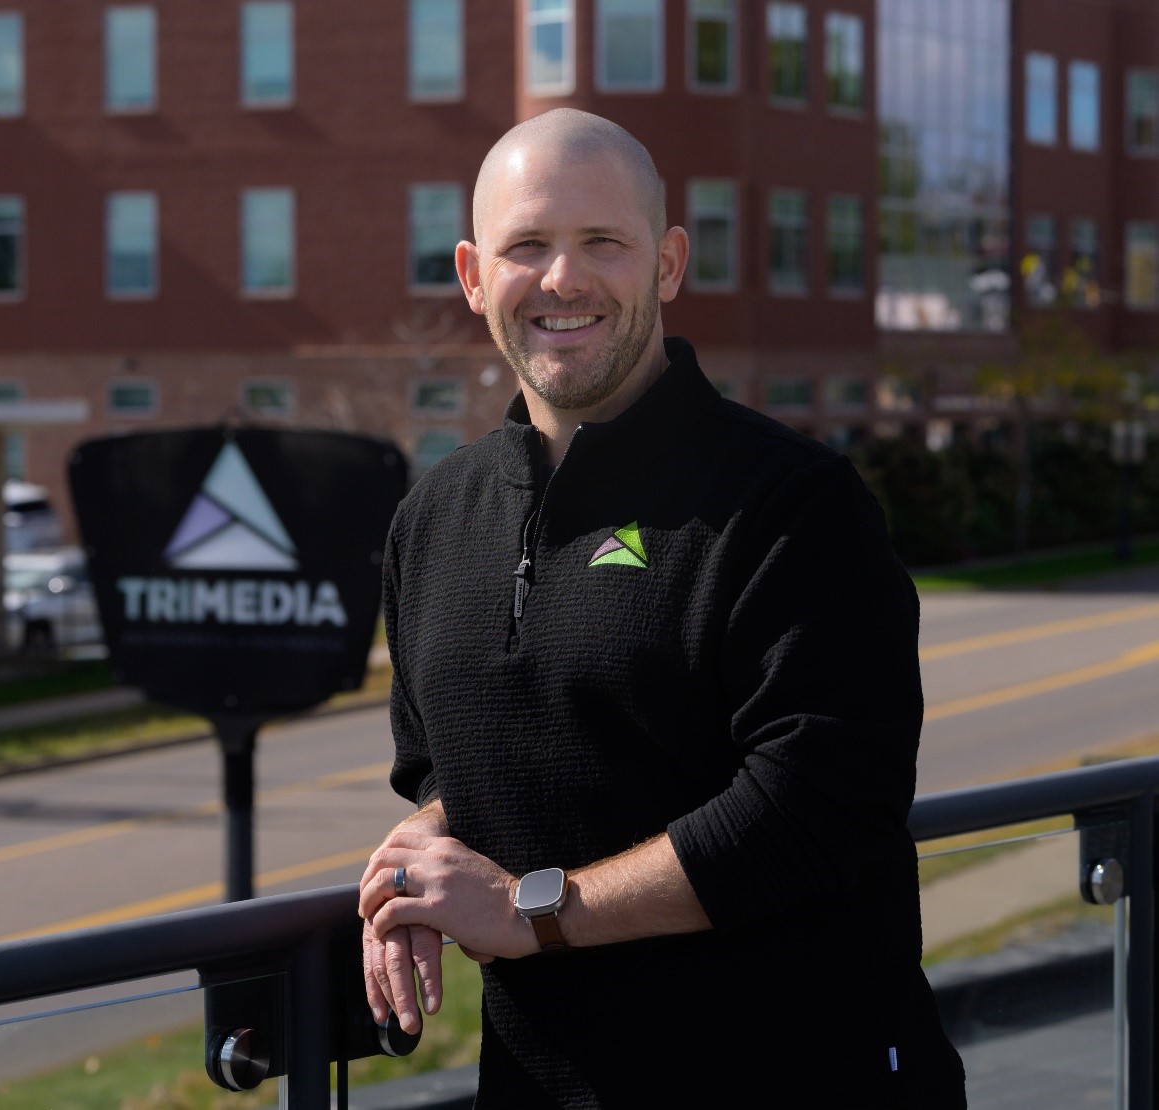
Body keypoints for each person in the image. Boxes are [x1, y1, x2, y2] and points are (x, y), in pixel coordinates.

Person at [358, 108, 966, 1107]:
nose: (563, 279)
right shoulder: (431, 521)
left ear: (668, 264)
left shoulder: (790, 504)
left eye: (603, 241)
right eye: (527, 246)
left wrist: (530, 910)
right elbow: (442, 769)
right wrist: (418, 858)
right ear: (471, 276)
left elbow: (816, 809)